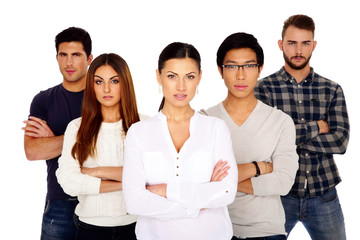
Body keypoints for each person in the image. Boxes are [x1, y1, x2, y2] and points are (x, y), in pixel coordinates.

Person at [122, 42, 238, 240]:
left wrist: (165, 190)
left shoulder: (215, 128)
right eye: (172, 76)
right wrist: (198, 202)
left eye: (190, 77)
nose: (181, 86)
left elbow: (227, 191)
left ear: (200, 77)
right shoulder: (139, 132)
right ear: (158, 76)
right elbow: (134, 201)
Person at [255, 14, 350, 240]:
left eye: (305, 43)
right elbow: (265, 141)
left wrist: (287, 136)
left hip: (324, 194)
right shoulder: (263, 89)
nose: (298, 50)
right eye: (292, 43)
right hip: (279, 196)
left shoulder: (332, 90)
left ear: (313, 45)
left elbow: (340, 141)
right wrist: (318, 126)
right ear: (281, 45)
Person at [201, 32, 299, 240]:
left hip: (266, 232)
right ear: (220, 71)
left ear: (259, 69)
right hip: (214, 230)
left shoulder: (280, 122)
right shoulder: (204, 120)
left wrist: (220, 182)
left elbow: (282, 183)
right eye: (232, 66)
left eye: (249, 65)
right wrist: (259, 167)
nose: (241, 75)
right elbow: (196, 178)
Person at [56, 53, 140, 240]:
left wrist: (93, 171)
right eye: (99, 81)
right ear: (91, 86)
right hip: (90, 229)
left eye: (115, 81)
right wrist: (126, 183)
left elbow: (152, 176)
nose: (107, 89)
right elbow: (68, 182)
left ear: (125, 83)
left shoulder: (143, 125)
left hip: (136, 228)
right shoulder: (77, 127)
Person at [22, 27, 93, 240]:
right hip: (58, 202)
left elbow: (111, 143)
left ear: (89, 58)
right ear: (57, 58)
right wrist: (85, 137)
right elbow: (32, 151)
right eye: (63, 55)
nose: (69, 63)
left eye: (76, 55)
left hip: (98, 199)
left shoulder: (103, 96)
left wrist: (53, 140)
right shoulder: (43, 100)